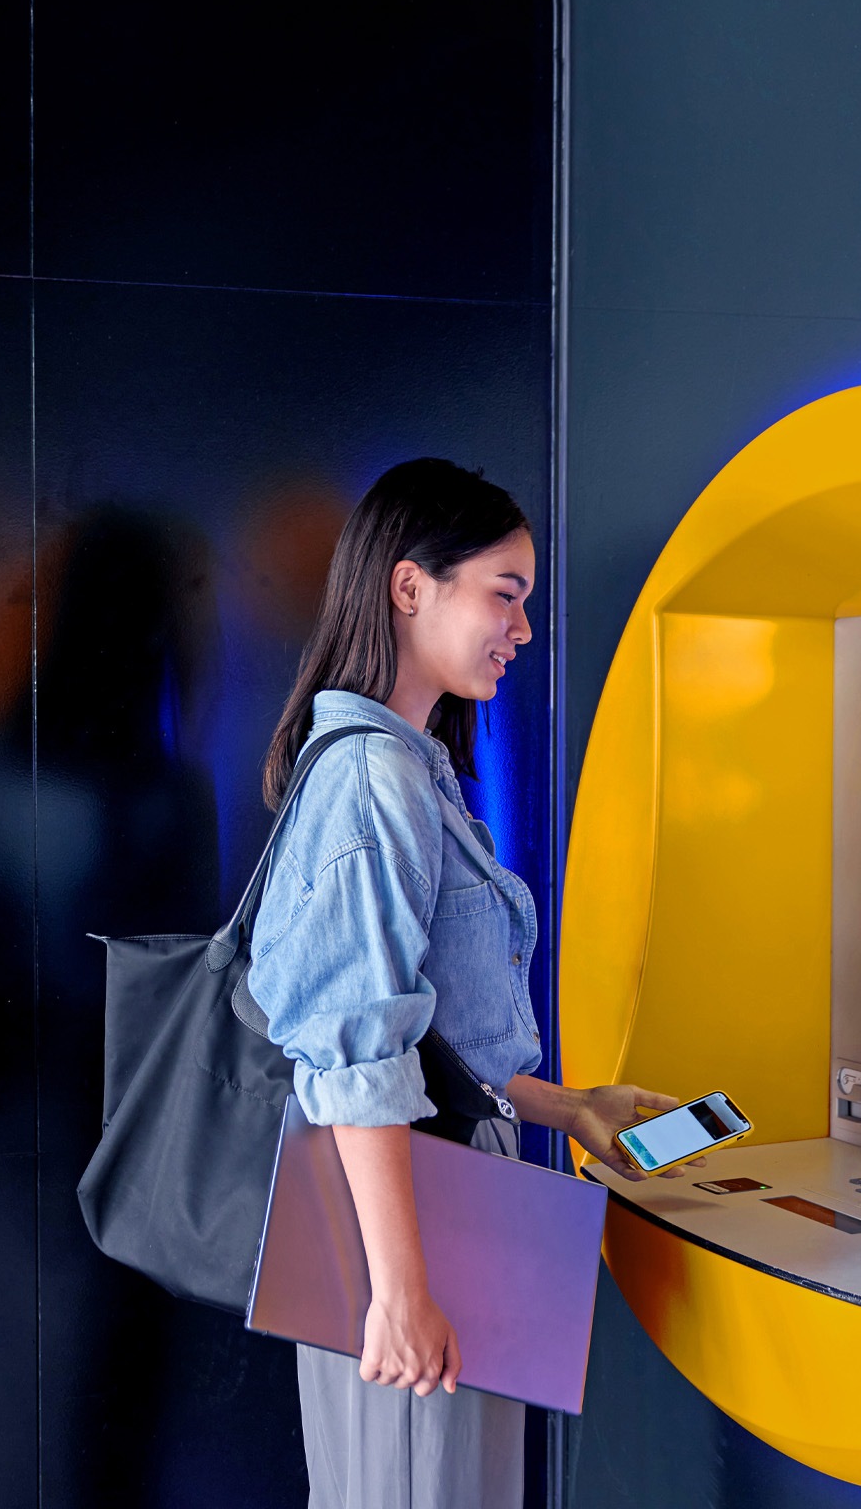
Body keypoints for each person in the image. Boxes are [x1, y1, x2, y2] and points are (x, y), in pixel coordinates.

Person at [249, 458, 681, 1509]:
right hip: (409, 1219)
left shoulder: (409, 766)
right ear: (410, 587)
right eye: (506, 593)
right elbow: (359, 1059)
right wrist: (400, 1293)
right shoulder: (373, 777)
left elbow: (433, 1049)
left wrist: (572, 1108)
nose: (522, 628)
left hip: (437, 1197)